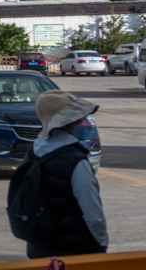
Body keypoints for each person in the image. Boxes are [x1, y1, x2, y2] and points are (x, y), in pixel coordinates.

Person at [24, 91, 108, 260]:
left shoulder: (33, 153)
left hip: (39, 247)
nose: (82, 122)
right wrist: (101, 243)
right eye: (78, 119)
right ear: (71, 123)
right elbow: (93, 213)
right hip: (75, 251)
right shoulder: (76, 161)